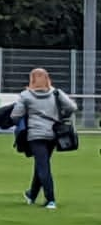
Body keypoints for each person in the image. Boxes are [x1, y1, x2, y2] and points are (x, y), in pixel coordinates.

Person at [9, 67, 76, 209]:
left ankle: (50, 199)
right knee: (41, 164)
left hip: (35, 135)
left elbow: (15, 116)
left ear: (31, 79)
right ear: (47, 78)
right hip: (52, 135)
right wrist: (61, 115)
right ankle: (31, 195)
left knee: (42, 165)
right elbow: (71, 107)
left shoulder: (26, 95)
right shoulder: (56, 93)